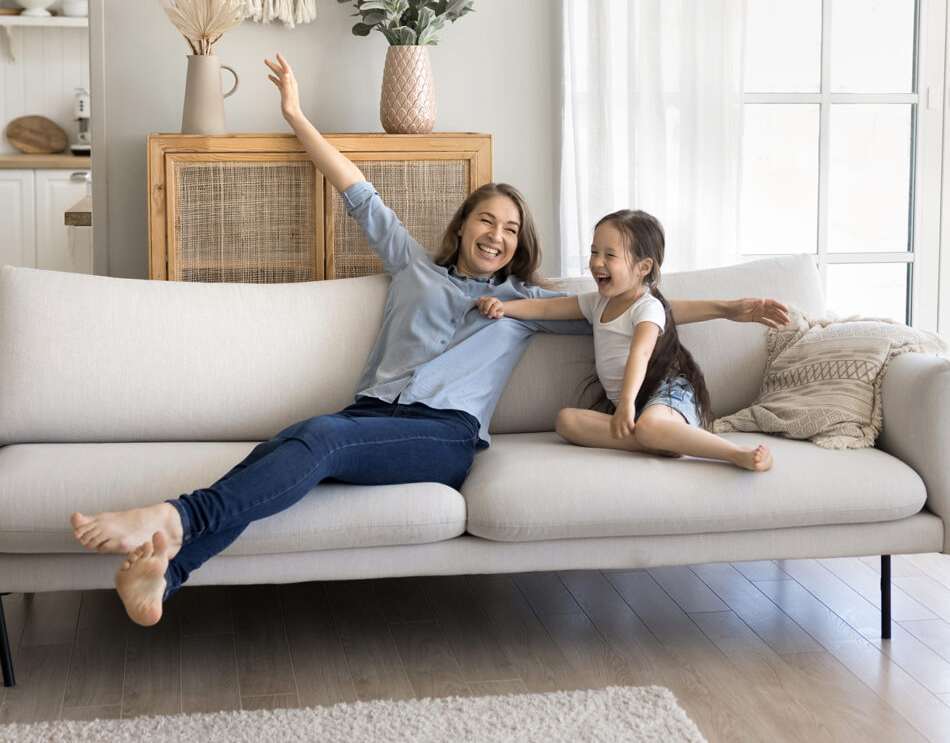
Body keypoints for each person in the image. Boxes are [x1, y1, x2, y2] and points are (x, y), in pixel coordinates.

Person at [71, 54, 787, 627]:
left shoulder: (533, 304)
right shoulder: (412, 265)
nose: (497, 235)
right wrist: (295, 114)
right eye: (487, 220)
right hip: (371, 418)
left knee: (315, 440)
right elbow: (355, 188)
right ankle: (169, 567)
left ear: (520, 246)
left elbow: (639, 304)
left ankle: (169, 517)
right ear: (464, 223)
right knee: (289, 441)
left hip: (441, 438)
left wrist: (731, 305)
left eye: (511, 230)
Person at [478, 208, 776, 472]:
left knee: (649, 424)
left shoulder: (648, 307)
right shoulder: (597, 303)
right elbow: (545, 307)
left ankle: (736, 454)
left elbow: (640, 355)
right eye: (594, 252)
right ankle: (658, 441)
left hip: (667, 395)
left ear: (643, 267)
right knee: (566, 421)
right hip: (634, 408)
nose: (597, 263)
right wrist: (505, 307)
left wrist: (627, 404)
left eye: (610, 255)